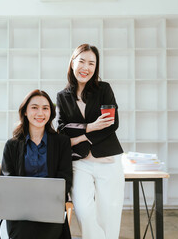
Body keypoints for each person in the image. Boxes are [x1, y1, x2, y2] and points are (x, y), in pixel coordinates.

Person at [56, 44, 125, 239]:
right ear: (72, 63)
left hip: (108, 159)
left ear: (96, 67)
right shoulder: (62, 96)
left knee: (109, 215)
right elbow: (62, 130)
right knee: (84, 212)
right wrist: (90, 127)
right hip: (79, 161)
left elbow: (111, 123)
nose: (86, 67)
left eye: (92, 63)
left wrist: (80, 135)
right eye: (82, 61)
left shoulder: (104, 89)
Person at [0, 89, 72, 239]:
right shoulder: (11, 145)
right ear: (25, 112)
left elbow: (65, 178)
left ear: (50, 113)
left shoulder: (62, 142)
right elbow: (8, 181)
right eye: (34, 107)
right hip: (20, 212)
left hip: (50, 209)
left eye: (45, 108)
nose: (40, 113)